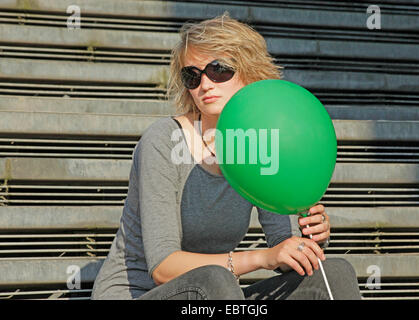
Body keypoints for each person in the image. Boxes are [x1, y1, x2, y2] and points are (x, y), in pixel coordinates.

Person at [91, 12, 361, 300]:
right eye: (192, 75)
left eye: (219, 69)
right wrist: (260, 259)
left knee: (334, 272)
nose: (205, 84)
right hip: (141, 294)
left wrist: (309, 235)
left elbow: (283, 247)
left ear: (249, 71)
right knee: (215, 280)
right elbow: (163, 267)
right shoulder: (163, 142)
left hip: (218, 295)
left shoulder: (258, 144)